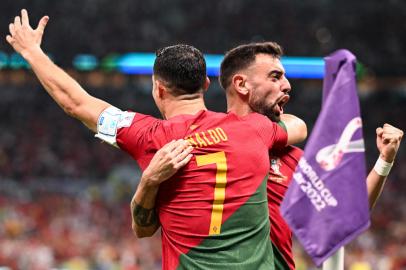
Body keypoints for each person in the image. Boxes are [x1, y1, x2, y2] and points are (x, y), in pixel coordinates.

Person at [6, 10, 306, 270]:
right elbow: (295, 126)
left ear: (158, 89)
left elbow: (76, 102)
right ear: (205, 84)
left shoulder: (149, 136)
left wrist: (32, 51)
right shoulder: (254, 128)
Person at [135, 42, 404, 270]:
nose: (287, 86)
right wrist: (148, 182)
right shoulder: (197, 146)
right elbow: (145, 225)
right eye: (275, 77)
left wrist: (385, 161)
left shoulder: (291, 158)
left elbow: (345, 213)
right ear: (241, 85)